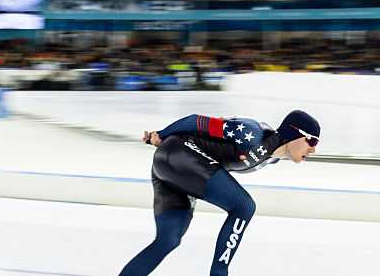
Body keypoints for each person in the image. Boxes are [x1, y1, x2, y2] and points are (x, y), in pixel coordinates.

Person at [119, 110, 321, 276]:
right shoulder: (252, 132)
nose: (313, 150)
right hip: (178, 152)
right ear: (294, 133)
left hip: (172, 168)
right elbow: (196, 121)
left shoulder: (272, 157)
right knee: (244, 206)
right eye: (312, 142)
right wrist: (162, 134)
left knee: (168, 240)